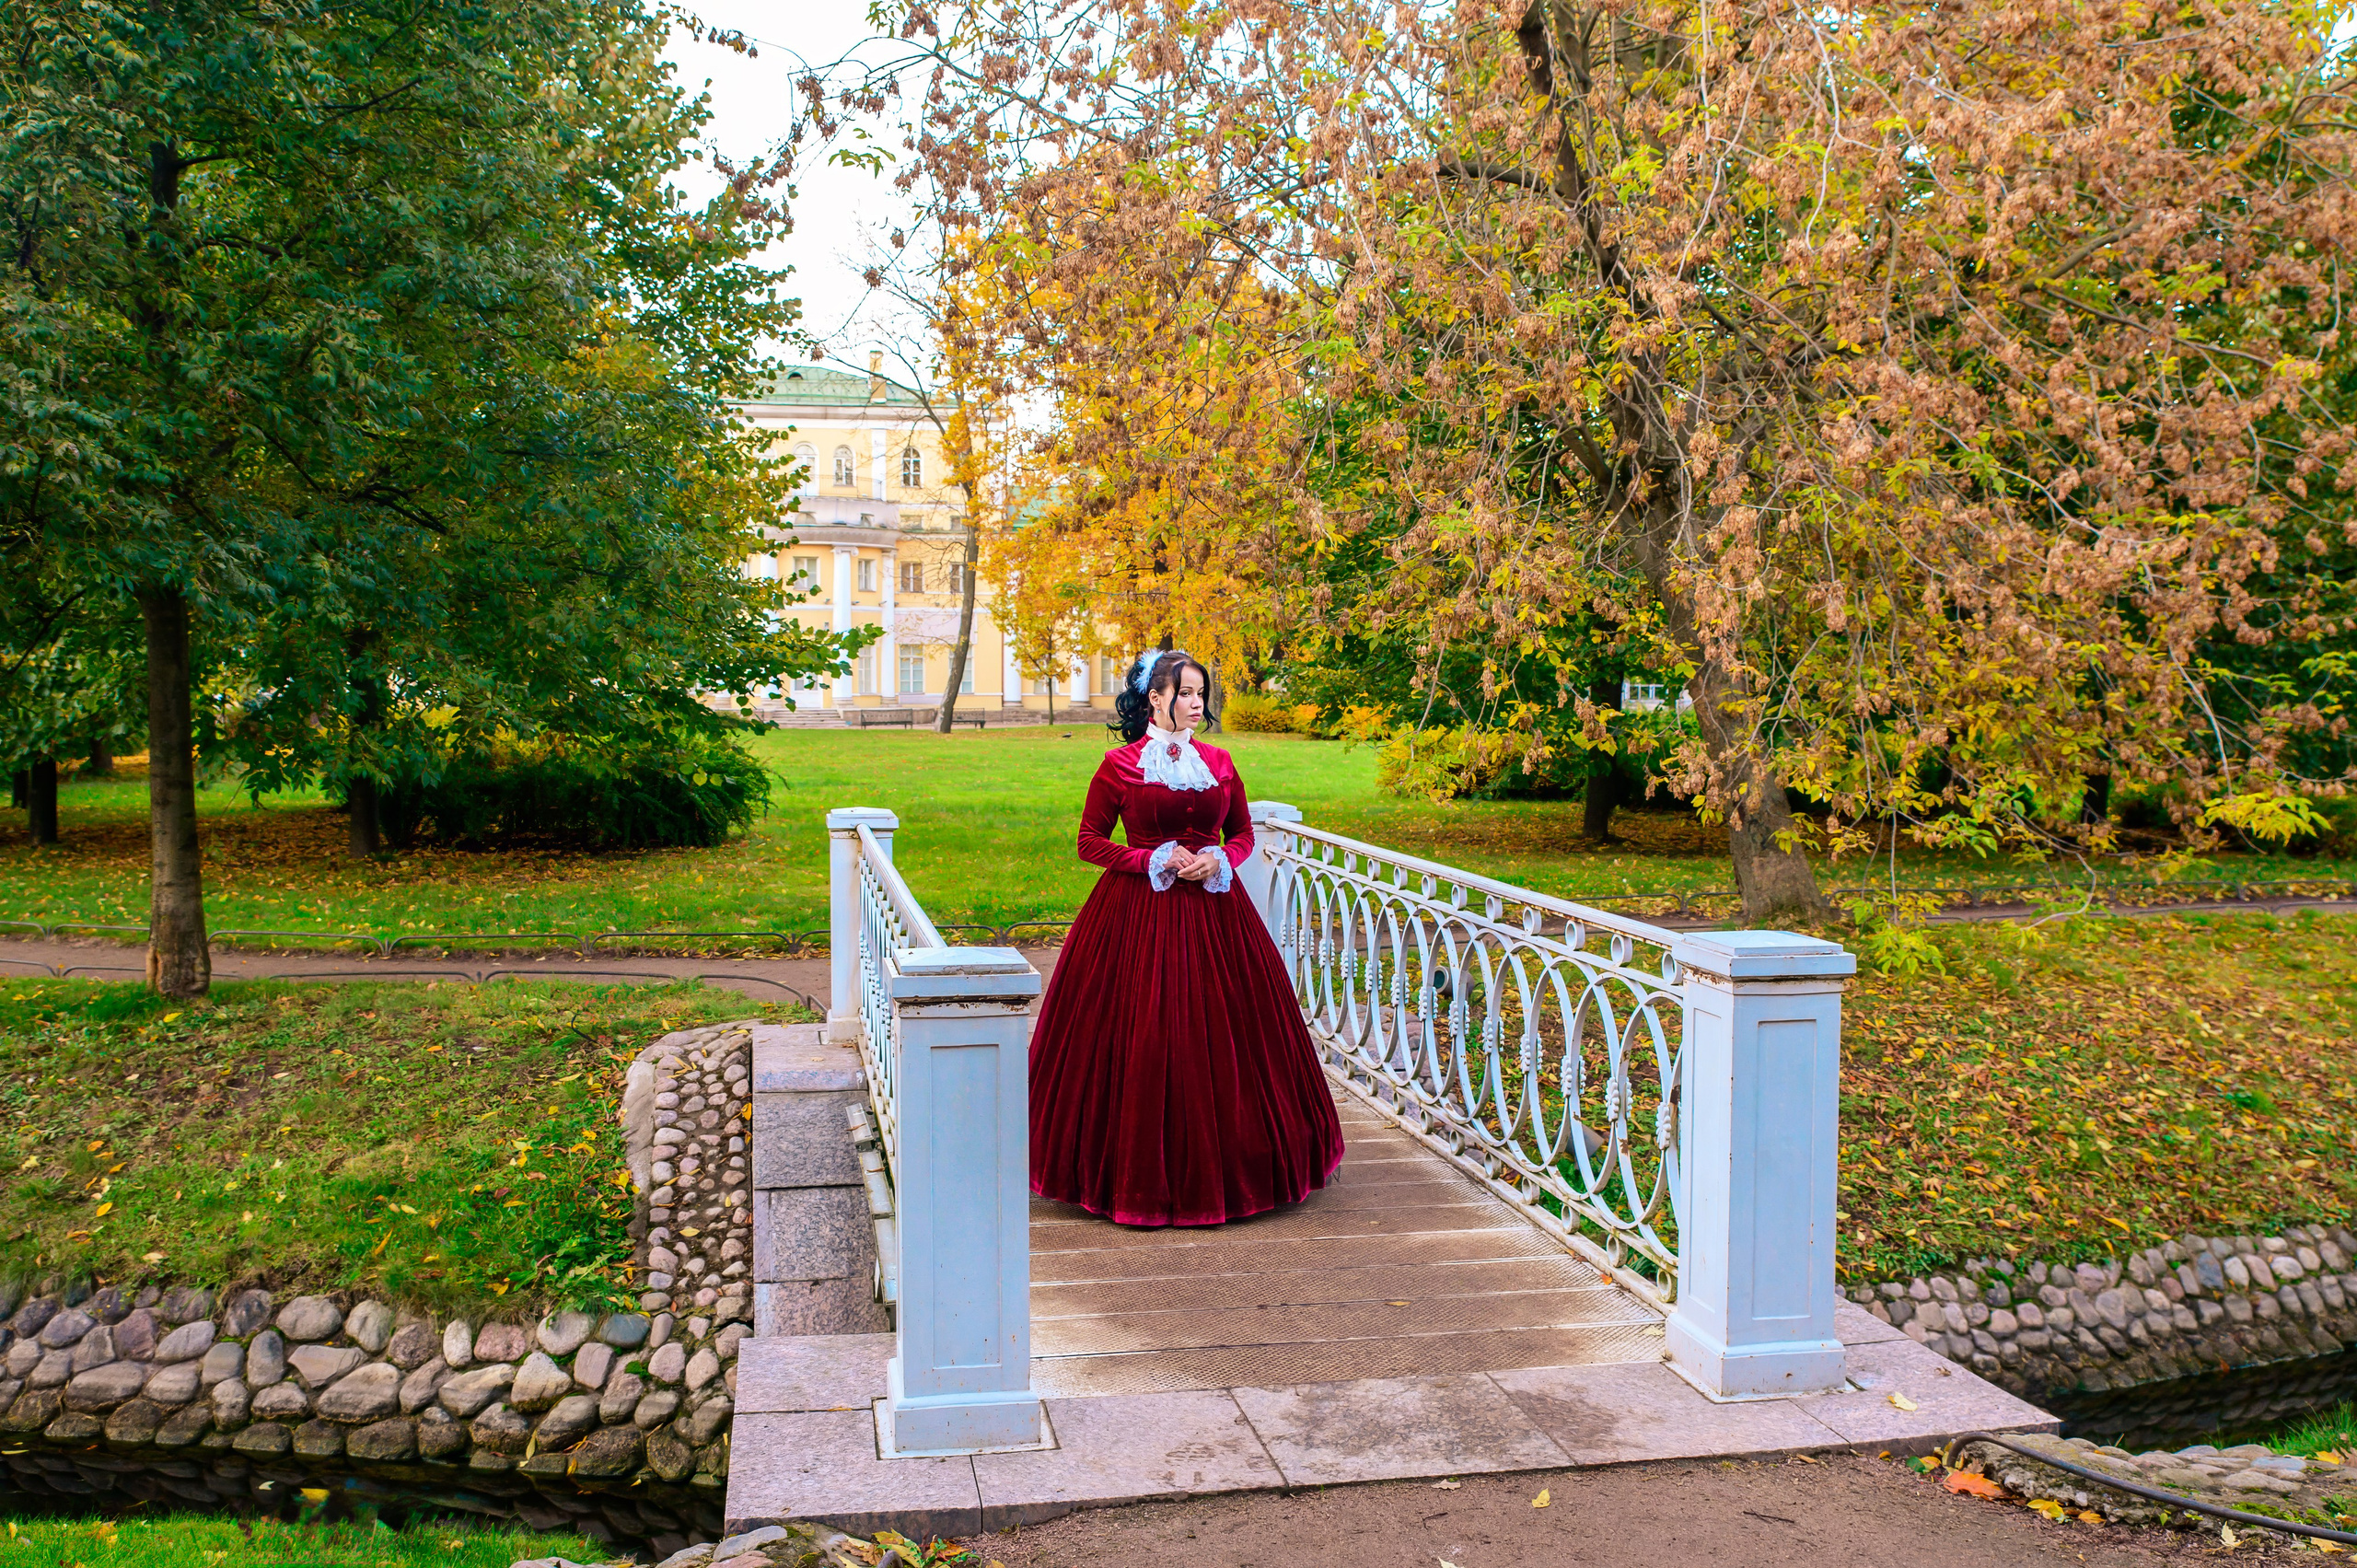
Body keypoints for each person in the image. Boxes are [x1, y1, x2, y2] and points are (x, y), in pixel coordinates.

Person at [1028, 649, 1346, 1226]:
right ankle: (1132, 1178)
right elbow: (1089, 841)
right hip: (1135, 918)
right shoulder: (1120, 765)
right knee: (1144, 1032)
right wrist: (1150, 857)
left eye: (1203, 693)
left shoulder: (1221, 762)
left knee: (1230, 1037)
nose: (1198, 704)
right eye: (1187, 693)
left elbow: (1245, 832)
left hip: (1218, 916)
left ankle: (1238, 1172)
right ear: (1155, 699)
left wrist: (1220, 859)